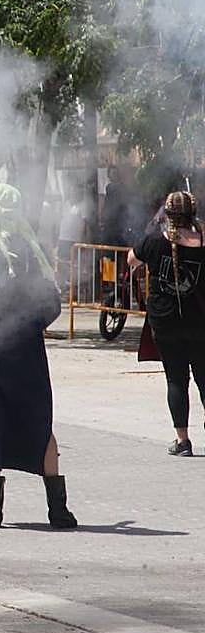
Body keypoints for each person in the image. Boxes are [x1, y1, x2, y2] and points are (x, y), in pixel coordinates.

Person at [0, 183, 77, 531]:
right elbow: (49, 302)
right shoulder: (30, 249)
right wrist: (27, 324)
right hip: (26, 351)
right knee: (39, 422)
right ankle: (59, 512)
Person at [129, 191, 205, 456]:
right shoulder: (202, 241)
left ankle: (183, 441)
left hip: (166, 322)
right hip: (199, 322)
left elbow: (131, 259)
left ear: (168, 214)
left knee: (176, 380)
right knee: (204, 380)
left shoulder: (153, 242)